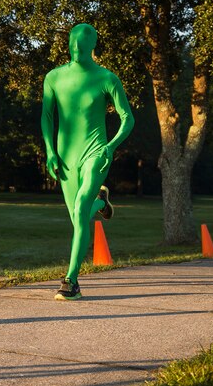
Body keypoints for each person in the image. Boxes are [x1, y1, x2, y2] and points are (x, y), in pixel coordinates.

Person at [41, 23, 134, 301]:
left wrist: (111, 146)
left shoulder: (107, 78)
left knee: (80, 211)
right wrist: (49, 152)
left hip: (97, 153)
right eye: (72, 45)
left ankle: (71, 281)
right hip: (65, 156)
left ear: (92, 46)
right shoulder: (54, 78)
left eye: (81, 46)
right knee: (77, 219)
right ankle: (101, 203)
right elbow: (47, 116)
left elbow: (127, 118)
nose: (76, 50)